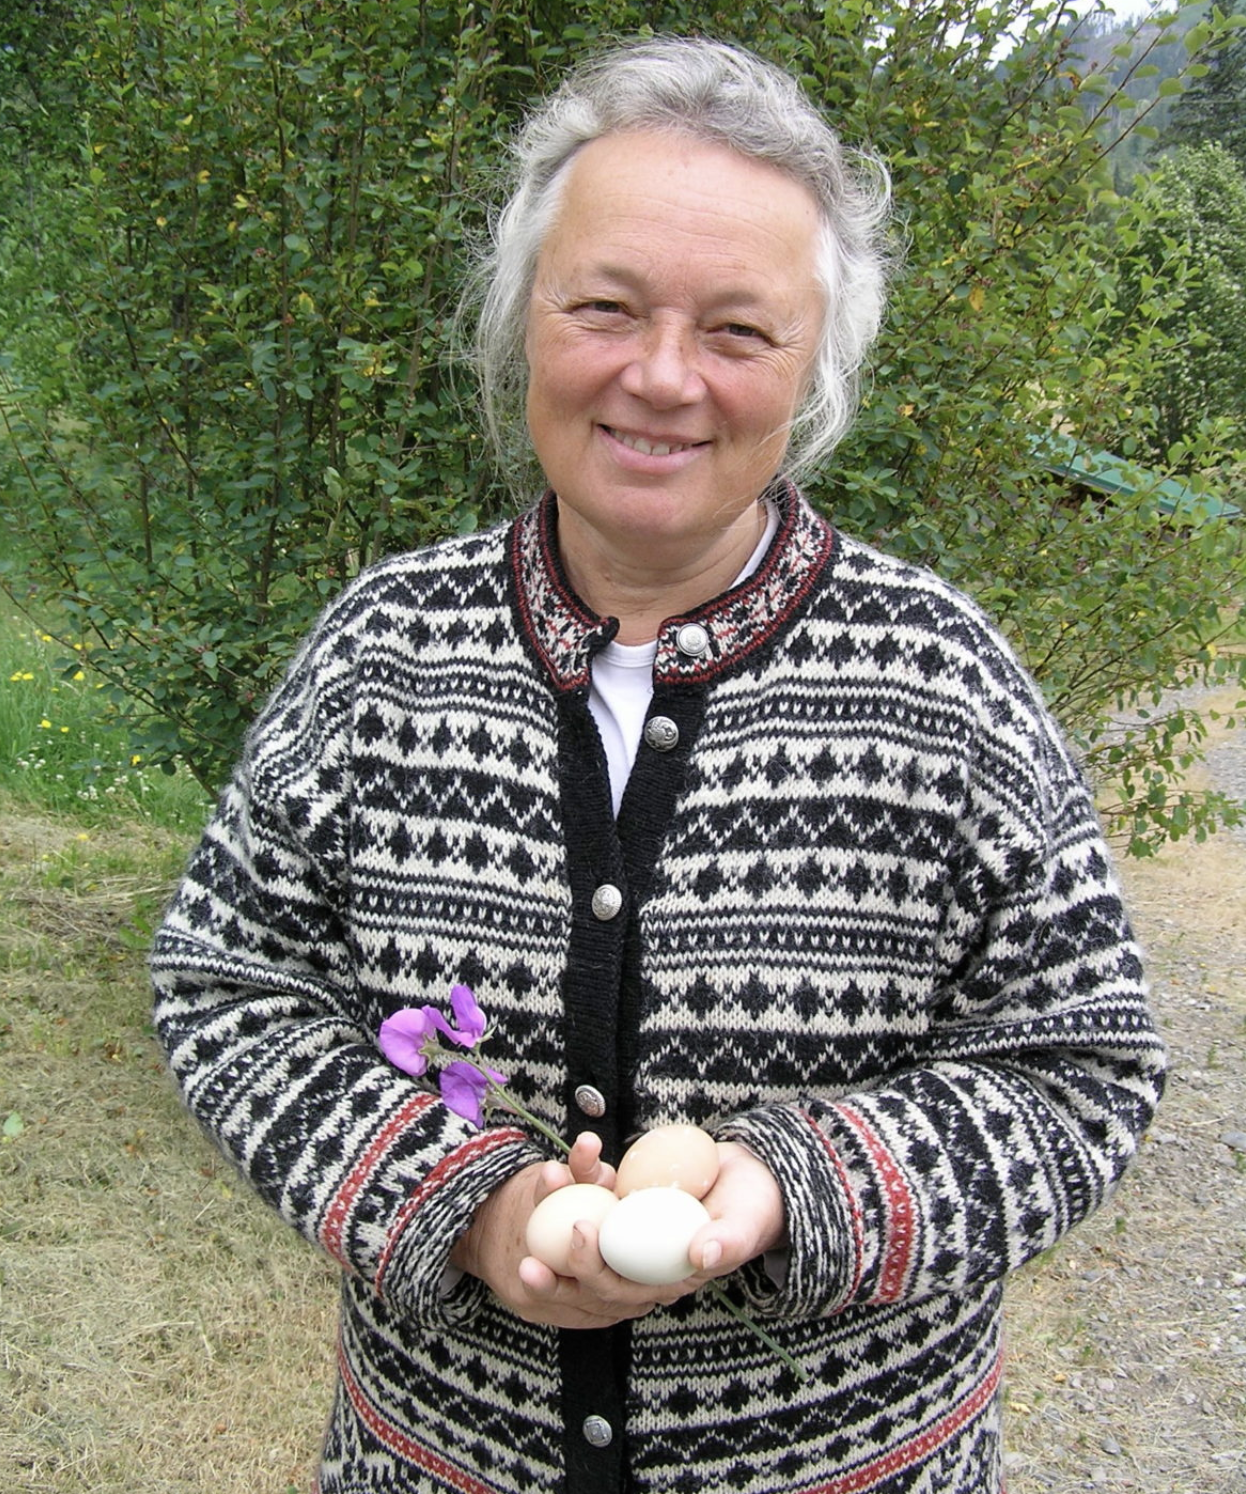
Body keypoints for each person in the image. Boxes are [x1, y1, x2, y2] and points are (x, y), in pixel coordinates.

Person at [151, 35, 1165, 1494]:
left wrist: (793, 1187)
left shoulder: (942, 685)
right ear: (521, 317)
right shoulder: (383, 651)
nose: (662, 376)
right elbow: (227, 983)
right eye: (605, 306)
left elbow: (1082, 1068)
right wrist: (467, 1203)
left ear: (815, 370)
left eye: (740, 331)